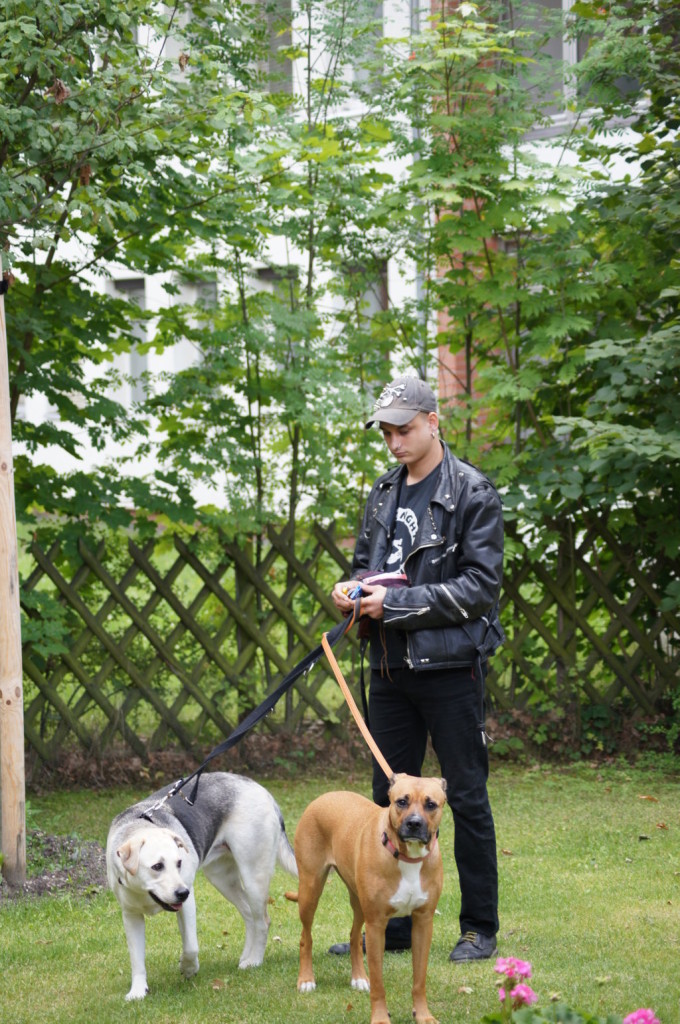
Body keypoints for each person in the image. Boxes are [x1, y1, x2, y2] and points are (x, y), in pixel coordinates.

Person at [328, 374, 504, 963]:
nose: (394, 442)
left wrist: (396, 605)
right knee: (390, 797)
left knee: (467, 798)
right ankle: (395, 924)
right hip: (390, 669)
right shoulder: (384, 491)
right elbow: (368, 564)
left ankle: (478, 928)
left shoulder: (472, 493)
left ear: (433, 422)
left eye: (403, 429)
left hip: (453, 671)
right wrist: (353, 590)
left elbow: (479, 588)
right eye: (386, 432)